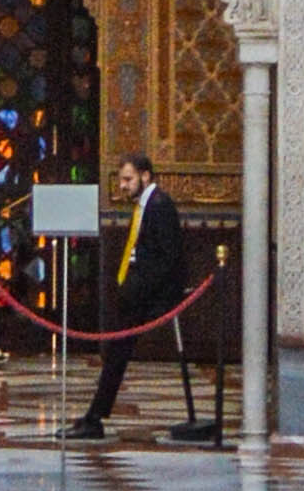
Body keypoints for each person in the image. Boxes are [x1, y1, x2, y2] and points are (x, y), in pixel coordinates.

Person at [65, 145, 203, 441]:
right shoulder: (145, 206)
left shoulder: (160, 206)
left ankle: (94, 418)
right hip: (135, 295)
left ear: (145, 175)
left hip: (150, 298)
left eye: (127, 179)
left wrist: (140, 290)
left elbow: (168, 257)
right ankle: (94, 417)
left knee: (115, 355)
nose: (123, 186)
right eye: (120, 180)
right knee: (115, 355)